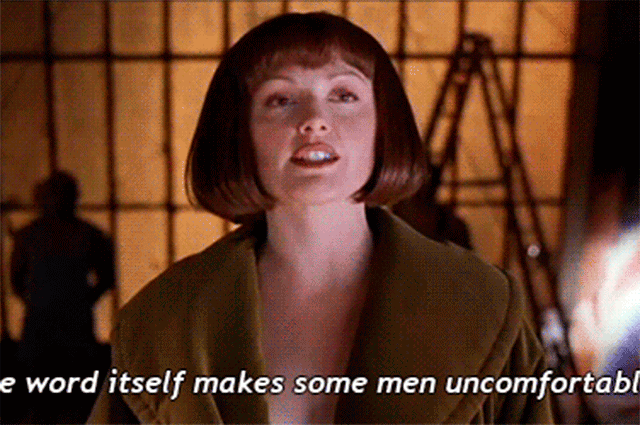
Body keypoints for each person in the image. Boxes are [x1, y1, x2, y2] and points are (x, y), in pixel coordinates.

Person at [89, 13, 552, 424]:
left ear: (384, 124)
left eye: (344, 94)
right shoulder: (162, 323)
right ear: (238, 132)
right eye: (280, 99)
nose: (314, 120)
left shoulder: (484, 308)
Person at [11, 171, 114, 423]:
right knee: (60, 390)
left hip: (57, 319)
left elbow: (16, 280)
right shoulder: (86, 234)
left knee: (61, 389)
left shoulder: (31, 235)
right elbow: (107, 277)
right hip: (57, 320)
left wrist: (40, 300)